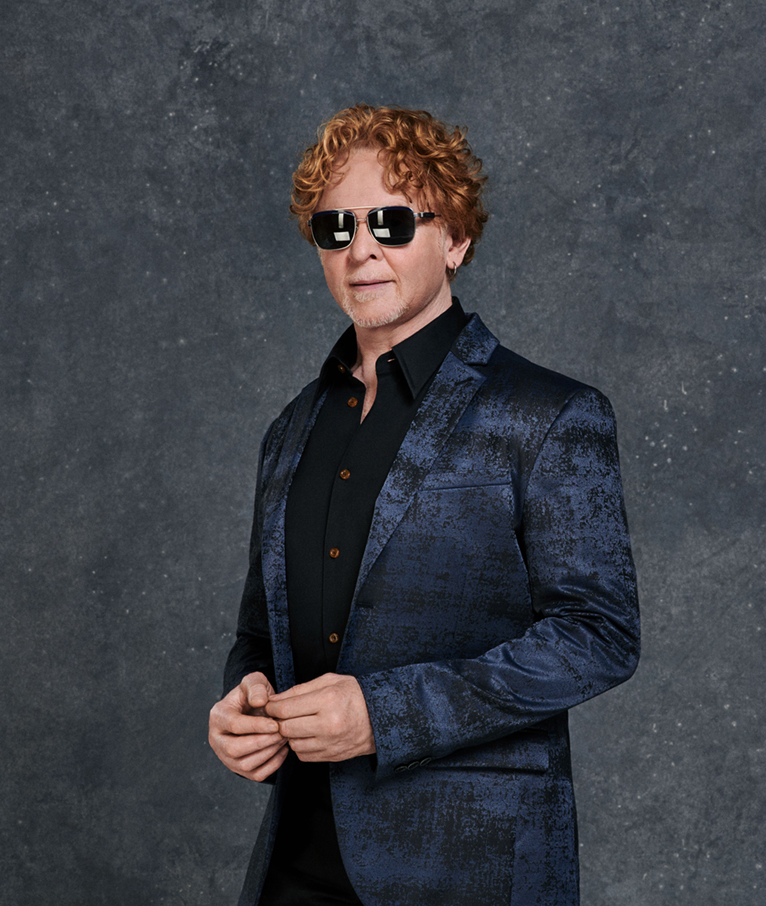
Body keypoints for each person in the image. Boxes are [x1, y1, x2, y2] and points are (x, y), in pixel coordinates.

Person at [207, 104, 640, 906]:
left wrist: (384, 714)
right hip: (294, 866)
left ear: (456, 239)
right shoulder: (290, 431)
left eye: (392, 221)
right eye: (335, 227)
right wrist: (246, 699)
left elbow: (600, 635)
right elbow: (258, 632)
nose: (360, 248)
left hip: (470, 869)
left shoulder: (549, 415)